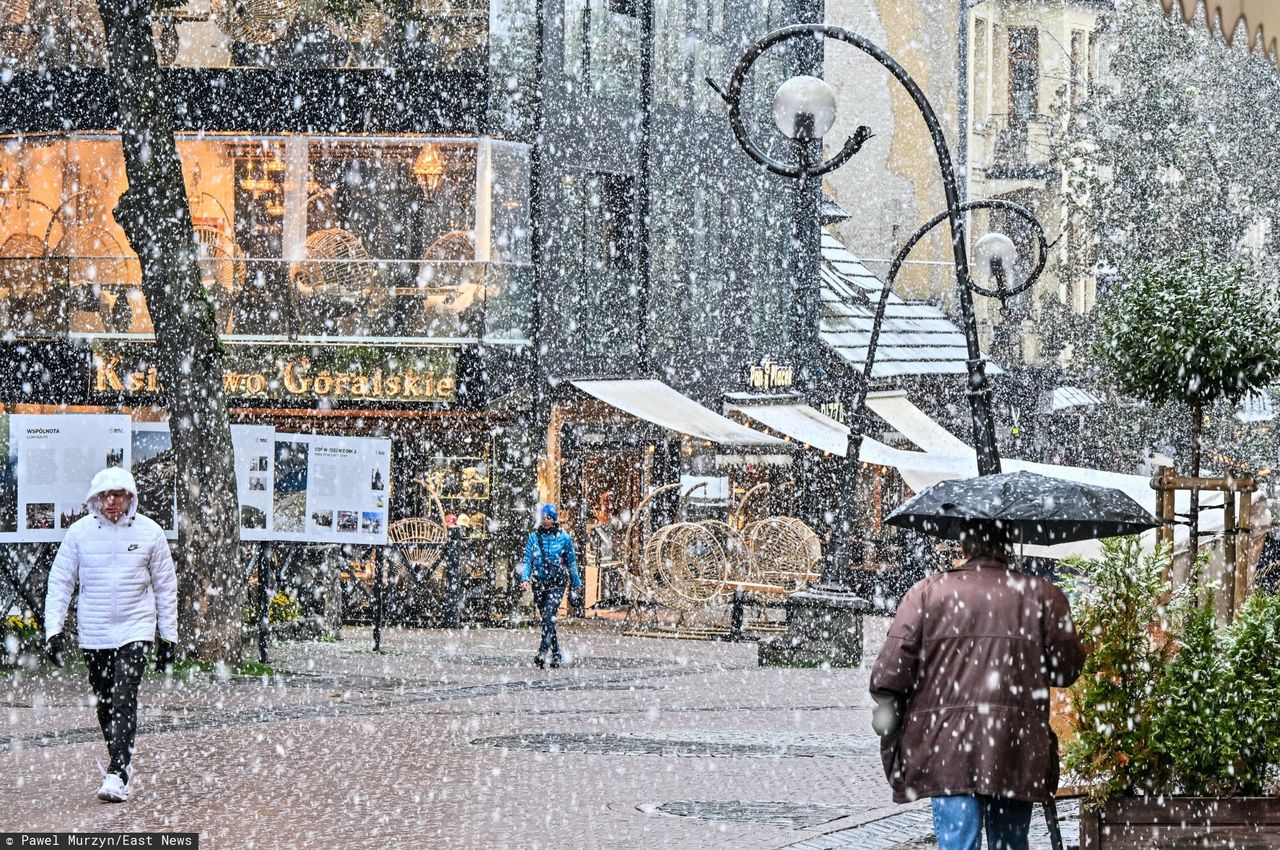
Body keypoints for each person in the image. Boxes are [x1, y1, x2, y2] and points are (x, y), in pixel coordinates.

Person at [868, 531, 1085, 850]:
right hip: (1015, 744)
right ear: (1007, 545)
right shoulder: (1043, 595)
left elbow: (892, 669)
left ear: (965, 545)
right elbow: (1066, 671)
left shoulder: (928, 592)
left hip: (949, 746)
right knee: (1010, 841)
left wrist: (890, 704)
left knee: (958, 842)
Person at [43, 467, 178, 804]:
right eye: (105, 495)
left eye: (118, 495)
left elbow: (165, 586)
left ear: (130, 497)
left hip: (136, 627)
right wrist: (53, 632)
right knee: (105, 703)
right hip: (96, 630)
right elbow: (60, 582)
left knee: (124, 697)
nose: (111, 502)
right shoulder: (78, 534)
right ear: (96, 499)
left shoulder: (151, 533)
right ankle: (121, 760)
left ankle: (118, 770)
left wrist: (168, 637)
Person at [520, 504, 582, 668]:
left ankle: (542, 652)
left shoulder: (564, 538)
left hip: (557, 584)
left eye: (549, 518)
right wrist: (525, 578)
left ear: (554, 519)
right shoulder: (534, 537)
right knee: (548, 621)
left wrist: (576, 583)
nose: (546, 521)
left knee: (548, 616)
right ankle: (557, 654)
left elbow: (571, 563)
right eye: (544, 517)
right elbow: (527, 560)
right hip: (539, 584)